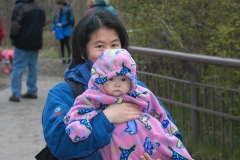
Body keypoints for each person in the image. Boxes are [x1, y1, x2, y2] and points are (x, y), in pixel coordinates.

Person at [42, 11, 182, 160]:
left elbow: (170, 132)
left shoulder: (137, 89)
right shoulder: (64, 94)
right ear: (83, 52)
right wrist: (106, 118)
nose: (109, 53)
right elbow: (60, 145)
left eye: (114, 45)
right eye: (100, 46)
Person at [63, 49, 193, 160]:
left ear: (131, 79)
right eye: (111, 79)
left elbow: (160, 113)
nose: (118, 84)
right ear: (100, 79)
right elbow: (78, 111)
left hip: (159, 140)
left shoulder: (141, 93)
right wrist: (79, 128)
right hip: (119, 148)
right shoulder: (93, 96)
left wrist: (171, 132)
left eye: (123, 79)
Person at [9, 0, 45, 102]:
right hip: (36, 41)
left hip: (22, 42)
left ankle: (16, 93)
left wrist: (13, 37)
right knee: (33, 66)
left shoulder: (20, 7)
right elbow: (43, 23)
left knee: (18, 67)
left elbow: (15, 25)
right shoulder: (39, 6)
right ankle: (32, 90)